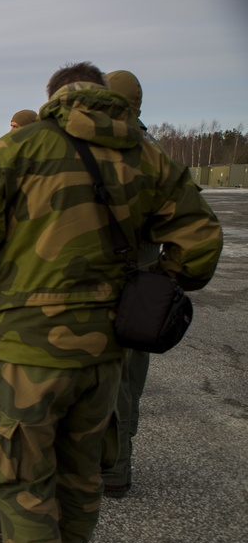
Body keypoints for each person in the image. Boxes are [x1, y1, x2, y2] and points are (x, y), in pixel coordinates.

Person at [0, 62, 222, 543]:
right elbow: (200, 241)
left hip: (27, 349)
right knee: (82, 469)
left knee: (20, 473)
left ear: (56, 95)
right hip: (106, 350)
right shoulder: (145, 151)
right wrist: (149, 286)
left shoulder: (24, 145)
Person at [100, 69, 160, 498]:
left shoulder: (114, 152)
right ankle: (120, 459)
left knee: (113, 377)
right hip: (146, 284)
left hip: (115, 281)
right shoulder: (157, 155)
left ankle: (114, 469)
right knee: (132, 374)